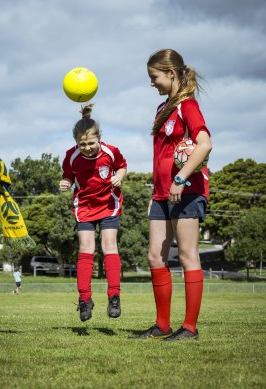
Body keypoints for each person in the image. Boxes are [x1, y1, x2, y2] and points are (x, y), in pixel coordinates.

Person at [130, 49, 212, 341]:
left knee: (189, 256)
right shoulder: (162, 109)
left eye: (154, 77)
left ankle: (189, 328)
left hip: (188, 192)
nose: (152, 83)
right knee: (155, 257)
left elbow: (204, 144)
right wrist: (158, 190)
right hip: (162, 195)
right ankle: (161, 325)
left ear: (171, 74)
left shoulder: (187, 106)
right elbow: (161, 154)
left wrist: (180, 177)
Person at [59, 104, 127, 322]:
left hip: (109, 203)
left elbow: (122, 166)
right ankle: (85, 300)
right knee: (86, 249)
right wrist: (65, 182)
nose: (87, 147)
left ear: (100, 138)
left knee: (109, 246)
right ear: (76, 142)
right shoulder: (71, 156)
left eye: (91, 143)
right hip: (85, 206)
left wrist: (120, 176)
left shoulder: (110, 151)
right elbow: (68, 176)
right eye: (83, 144)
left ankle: (114, 296)